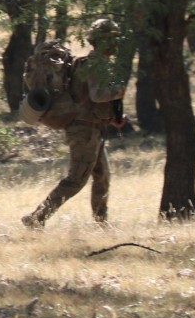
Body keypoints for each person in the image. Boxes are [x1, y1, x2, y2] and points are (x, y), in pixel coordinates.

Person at [22, 18, 128, 229]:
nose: (116, 44)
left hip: (93, 128)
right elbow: (98, 96)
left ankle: (101, 224)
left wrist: (112, 117)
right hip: (84, 130)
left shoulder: (93, 64)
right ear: (103, 41)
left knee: (102, 177)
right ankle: (36, 218)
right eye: (113, 39)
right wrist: (119, 90)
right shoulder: (95, 65)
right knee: (76, 179)